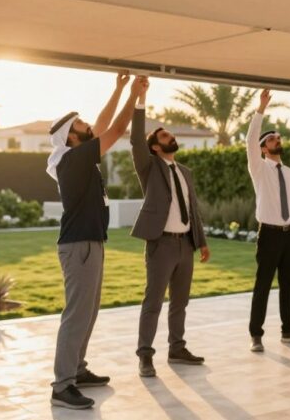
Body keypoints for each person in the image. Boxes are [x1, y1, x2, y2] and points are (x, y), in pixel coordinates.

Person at [47, 73, 145, 410]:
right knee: (77, 314)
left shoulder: (76, 156)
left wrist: (118, 89)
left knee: (88, 312)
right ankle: (62, 386)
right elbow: (115, 131)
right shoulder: (72, 161)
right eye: (83, 126)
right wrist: (134, 95)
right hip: (79, 245)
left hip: (90, 242)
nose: (89, 128)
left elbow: (102, 127)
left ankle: (77, 369)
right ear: (71, 137)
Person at [129, 77, 211, 377]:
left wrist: (201, 242)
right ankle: (145, 356)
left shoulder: (185, 171)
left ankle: (177, 349)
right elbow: (136, 138)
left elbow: (193, 210)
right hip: (161, 244)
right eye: (164, 135)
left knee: (180, 302)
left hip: (185, 245)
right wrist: (140, 100)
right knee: (153, 302)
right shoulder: (149, 168)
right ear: (154, 146)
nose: (170, 136)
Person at [246, 88, 290, 352]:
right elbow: (250, 140)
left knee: (288, 286)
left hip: (288, 236)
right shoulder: (259, 168)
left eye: (278, 137)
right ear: (263, 148)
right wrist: (260, 109)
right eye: (272, 138)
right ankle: (256, 335)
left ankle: (288, 330)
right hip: (269, 235)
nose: (277, 140)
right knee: (262, 285)